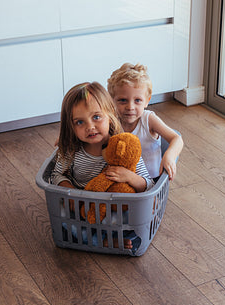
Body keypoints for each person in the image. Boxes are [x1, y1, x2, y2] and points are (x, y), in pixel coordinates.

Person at [51, 81, 152, 249]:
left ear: (110, 115)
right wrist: (70, 192)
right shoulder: (71, 150)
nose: (90, 127)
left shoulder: (123, 148)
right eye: (79, 122)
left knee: (127, 215)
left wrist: (129, 176)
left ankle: (112, 237)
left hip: (113, 209)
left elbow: (149, 185)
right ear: (71, 125)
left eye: (96, 117)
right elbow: (56, 174)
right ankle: (102, 242)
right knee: (63, 216)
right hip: (82, 209)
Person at [107, 63, 183, 181]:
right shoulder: (112, 121)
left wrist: (169, 156)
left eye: (137, 100)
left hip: (152, 181)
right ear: (112, 101)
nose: (130, 107)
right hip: (121, 179)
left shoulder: (148, 120)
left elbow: (177, 138)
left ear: (147, 101)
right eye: (123, 100)